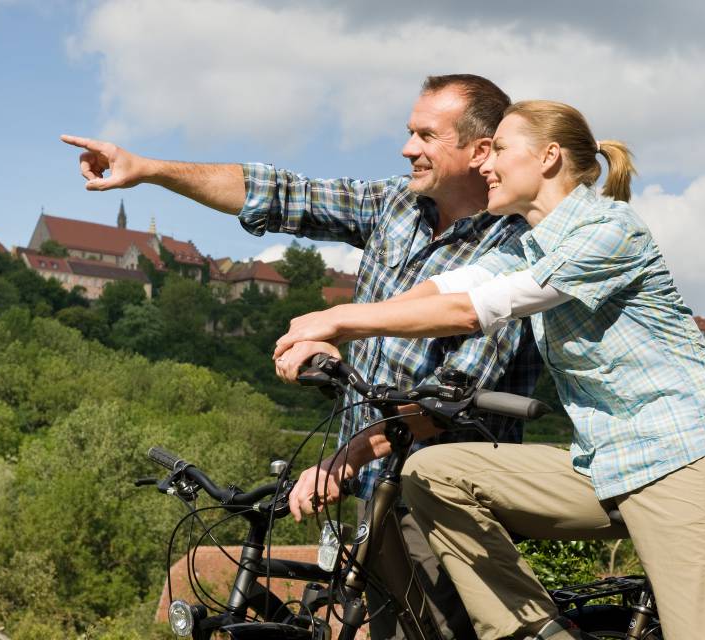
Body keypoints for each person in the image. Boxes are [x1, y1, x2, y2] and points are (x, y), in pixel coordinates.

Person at [62, 74, 542, 640]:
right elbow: (283, 192)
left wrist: (345, 459)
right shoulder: (397, 206)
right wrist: (148, 169)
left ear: (479, 151)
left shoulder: (516, 246)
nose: (407, 148)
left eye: (425, 136)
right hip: (372, 494)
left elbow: (448, 402)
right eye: (408, 132)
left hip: (443, 504)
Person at [274, 101, 705, 640]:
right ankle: (534, 634)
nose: (486, 164)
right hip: (605, 466)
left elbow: (476, 310)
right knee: (435, 475)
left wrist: (340, 320)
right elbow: (449, 288)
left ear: (548, 157)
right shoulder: (528, 247)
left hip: (682, 466)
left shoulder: (610, 230)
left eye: (500, 149)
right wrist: (325, 327)